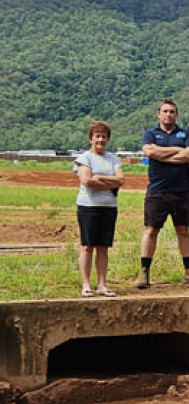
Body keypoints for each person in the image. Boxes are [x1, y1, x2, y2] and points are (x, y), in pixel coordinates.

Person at [136, 98, 189, 289]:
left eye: (172, 112)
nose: (168, 115)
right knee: (151, 231)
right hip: (157, 192)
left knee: (183, 231)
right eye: (165, 111)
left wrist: (162, 154)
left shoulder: (186, 133)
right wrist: (176, 151)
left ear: (177, 114)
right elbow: (149, 152)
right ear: (159, 114)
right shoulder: (150, 133)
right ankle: (144, 272)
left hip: (182, 192)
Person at [74, 121, 125, 297]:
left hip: (109, 208)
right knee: (88, 246)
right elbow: (87, 181)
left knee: (103, 247)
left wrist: (99, 178)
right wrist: (109, 181)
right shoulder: (84, 158)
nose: (100, 140)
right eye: (97, 136)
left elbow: (120, 180)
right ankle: (86, 284)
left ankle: (102, 284)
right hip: (88, 207)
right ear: (91, 138)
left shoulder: (113, 159)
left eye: (104, 136)